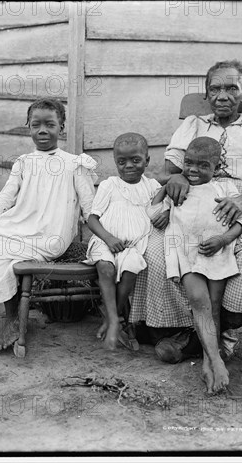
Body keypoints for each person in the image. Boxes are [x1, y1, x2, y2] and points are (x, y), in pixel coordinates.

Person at [130, 59, 242, 365]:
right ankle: (188, 330)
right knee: (154, 250)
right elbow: (171, 168)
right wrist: (177, 176)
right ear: (207, 93)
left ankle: (220, 334)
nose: (223, 95)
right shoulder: (194, 124)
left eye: (232, 88)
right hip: (190, 205)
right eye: (215, 88)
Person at [0, 98, 97, 351]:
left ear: (61, 127)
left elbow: (91, 208)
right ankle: (14, 318)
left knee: (3, 251)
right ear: (28, 127)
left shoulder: (75, 164)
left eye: (50, 124)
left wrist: (103, 238)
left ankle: (14, 319)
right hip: (22, 225)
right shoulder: (24, 162)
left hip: (53, 233)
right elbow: (5, 198)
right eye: (36, 124)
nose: (42, 131)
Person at [148, 136, 242, 393]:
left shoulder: (224, 188)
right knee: (199, 302)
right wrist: (169, 182)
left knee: (214, 307)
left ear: (217, 167)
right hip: (185, 254)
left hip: (217, 253)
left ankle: (207, 362)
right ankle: (217, 360)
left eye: (202, 165)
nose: (192, 170)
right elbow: (153, 209)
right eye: (188, 164)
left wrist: (223, 239)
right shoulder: (179, 187)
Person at [84, 133, 161, 350]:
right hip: (105, 240)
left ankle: (112, 317)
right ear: (115, 162)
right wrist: (108, 238)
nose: (129, 166)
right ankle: (115, 319)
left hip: (133, 245)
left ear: (147, 160)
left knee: (130, 270)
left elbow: (160, 209)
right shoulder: (110, 185)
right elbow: (92, 218)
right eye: (122, 161)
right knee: (106, 268)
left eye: (135, 160)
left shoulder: (152, 186)